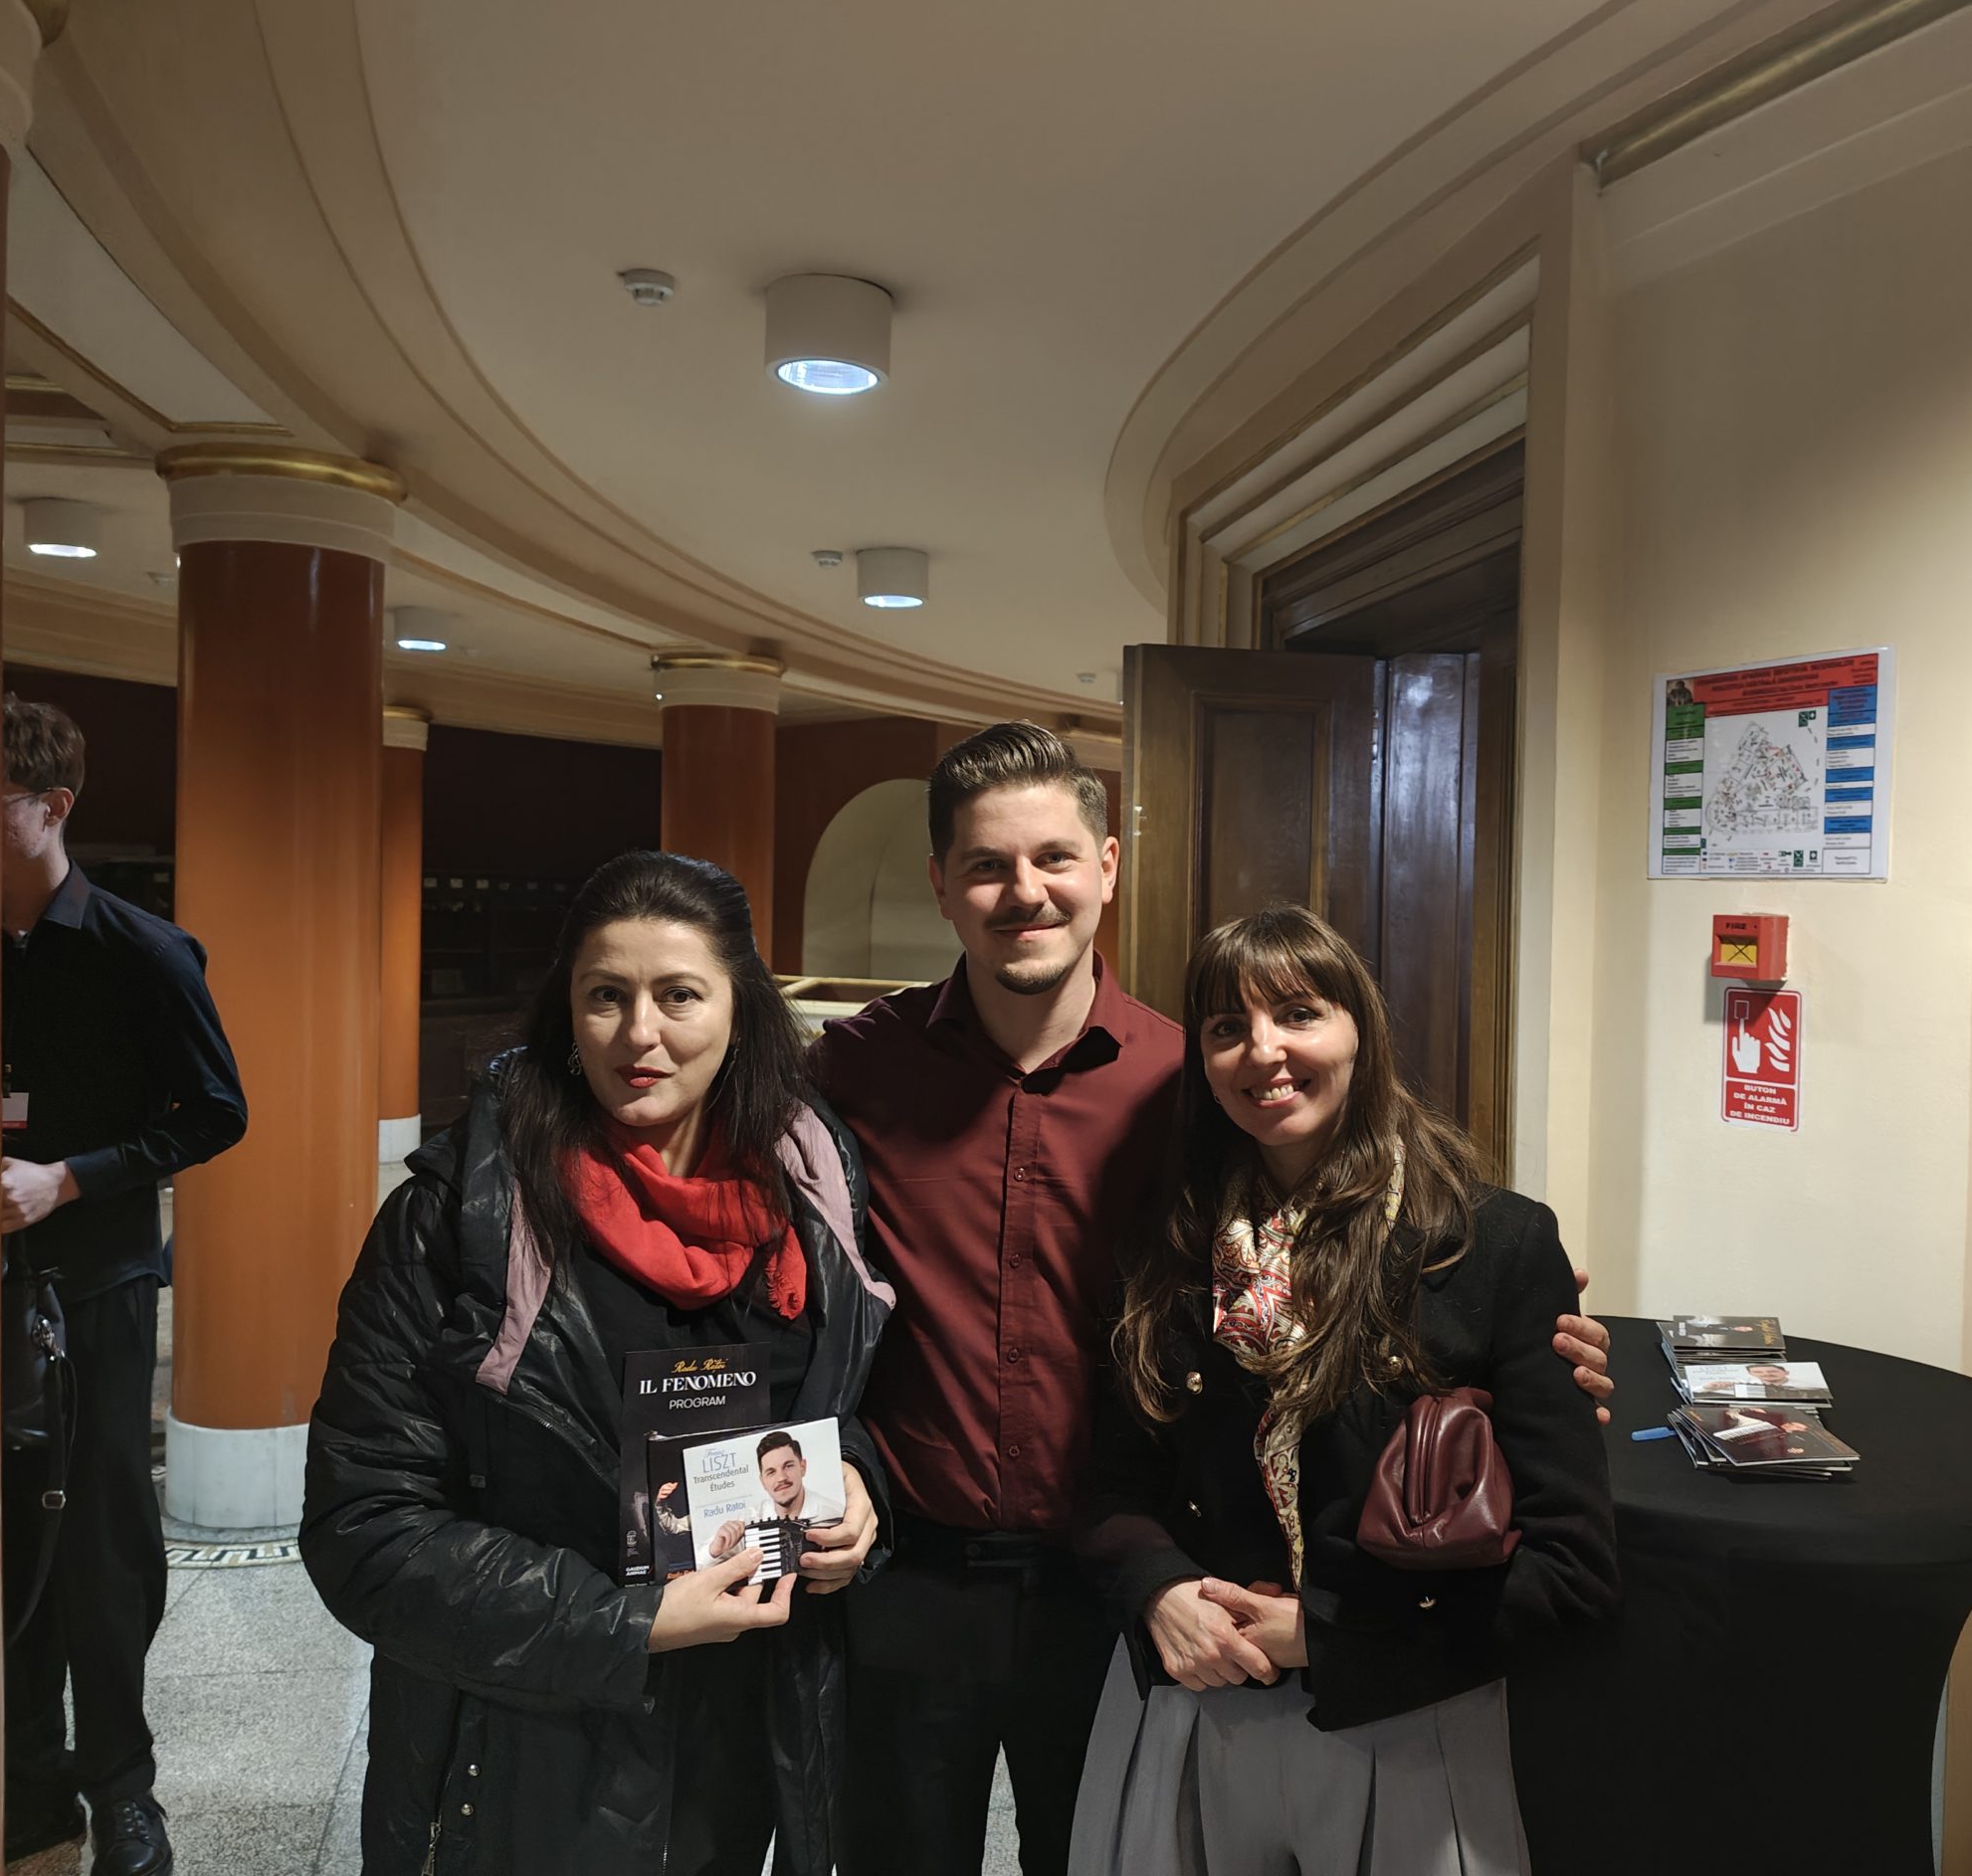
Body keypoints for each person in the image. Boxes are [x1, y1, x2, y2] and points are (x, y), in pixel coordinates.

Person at [816, 722, 1618, 1876]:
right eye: (987, 864)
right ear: (942, 882)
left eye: (1053, 857)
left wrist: (1522, 1337)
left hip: (1116, 1591)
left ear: (1105, 868)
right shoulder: (853, 1066)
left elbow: (1372, 1248)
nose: (1024, 891)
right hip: (919, 1566)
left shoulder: (1188, 1085)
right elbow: (788, 1283)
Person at [301, 851, 893, 1876]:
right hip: (528, 1750)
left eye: (679, 996)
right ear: (566, 1012)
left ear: (742, 1010)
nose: (639, 1034)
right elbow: (364, 1530)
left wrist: (856, 1488)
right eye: (606, 996)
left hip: (745, 1735)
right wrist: (631, 1621)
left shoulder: (813, 1192)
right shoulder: (461, 1217)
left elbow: (849, 1411)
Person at [1069, 906, 1620, 1875]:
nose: (1263, 1051)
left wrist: (1325, 1638)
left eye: (1298, 1014)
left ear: (1360, 1030)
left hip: (1404, 1718)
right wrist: (1156, 1591)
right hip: (1197, 1705)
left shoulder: (1492, 1244)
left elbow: (1571, 1573)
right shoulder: (1169, 1243)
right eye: (1228, 1027)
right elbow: (1111, 1485)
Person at [0, 694, 249, 1875]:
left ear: (52, 808)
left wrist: (69, 1180)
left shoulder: (140, 951)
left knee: (99, 1541)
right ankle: (27, 1781)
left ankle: (123, 1792)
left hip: (92, 1281)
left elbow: (214, 1113)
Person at [709, 1430, 848, 1558]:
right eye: (771, 1472)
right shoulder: (748, 1520)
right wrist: (714, 1551)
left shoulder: (836, 1513)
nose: (781, 1478)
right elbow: (704, 1563)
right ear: (762, 1481)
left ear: (803, 1467)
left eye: (788, 1466)